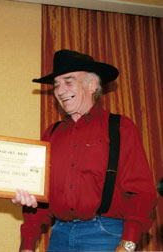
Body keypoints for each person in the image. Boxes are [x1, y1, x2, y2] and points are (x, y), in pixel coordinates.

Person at [12, 50, 157, 252]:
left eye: (68, 82)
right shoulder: (50, 134)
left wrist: (127, 245)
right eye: (56, 85)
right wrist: (27, 245)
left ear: (92, 85)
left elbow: (142, 193)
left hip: (106, 235)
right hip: (59, 235)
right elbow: (38, 198)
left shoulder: (120, 127)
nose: (60, 91)